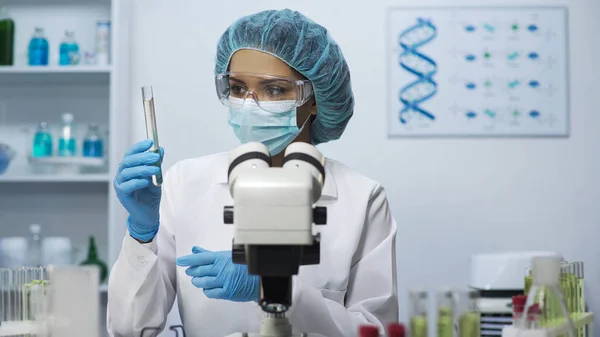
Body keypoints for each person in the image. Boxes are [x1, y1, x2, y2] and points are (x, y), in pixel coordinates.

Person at [108, 9, 398, 337]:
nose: (249, 104)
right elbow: (128, 328)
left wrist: (276, 289)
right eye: (236, 87)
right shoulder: (184, 183)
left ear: (315, 98)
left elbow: (378, 331)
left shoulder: (362, 198)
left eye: (274, 90)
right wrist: (141, 233)